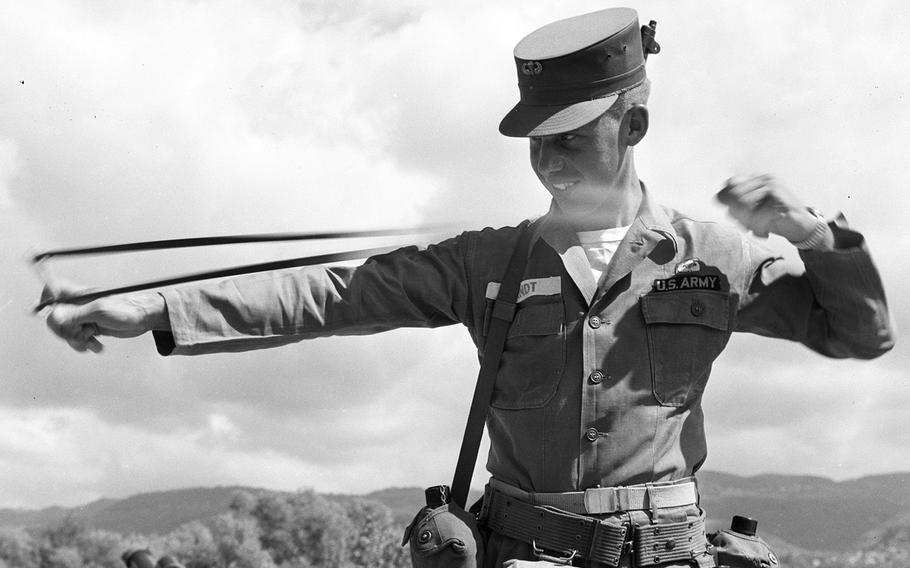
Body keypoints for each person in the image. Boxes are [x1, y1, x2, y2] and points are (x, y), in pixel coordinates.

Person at [42, 7, 894, 568]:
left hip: (665, 553)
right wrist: (152, 306)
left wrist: (812, 235)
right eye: (537, 141)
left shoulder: (713, 257)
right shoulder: (487, 263)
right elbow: (334, 295)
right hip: (521, 550)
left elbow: (860, 334)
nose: (549, 159)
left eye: (571, 137)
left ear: (632, 125)